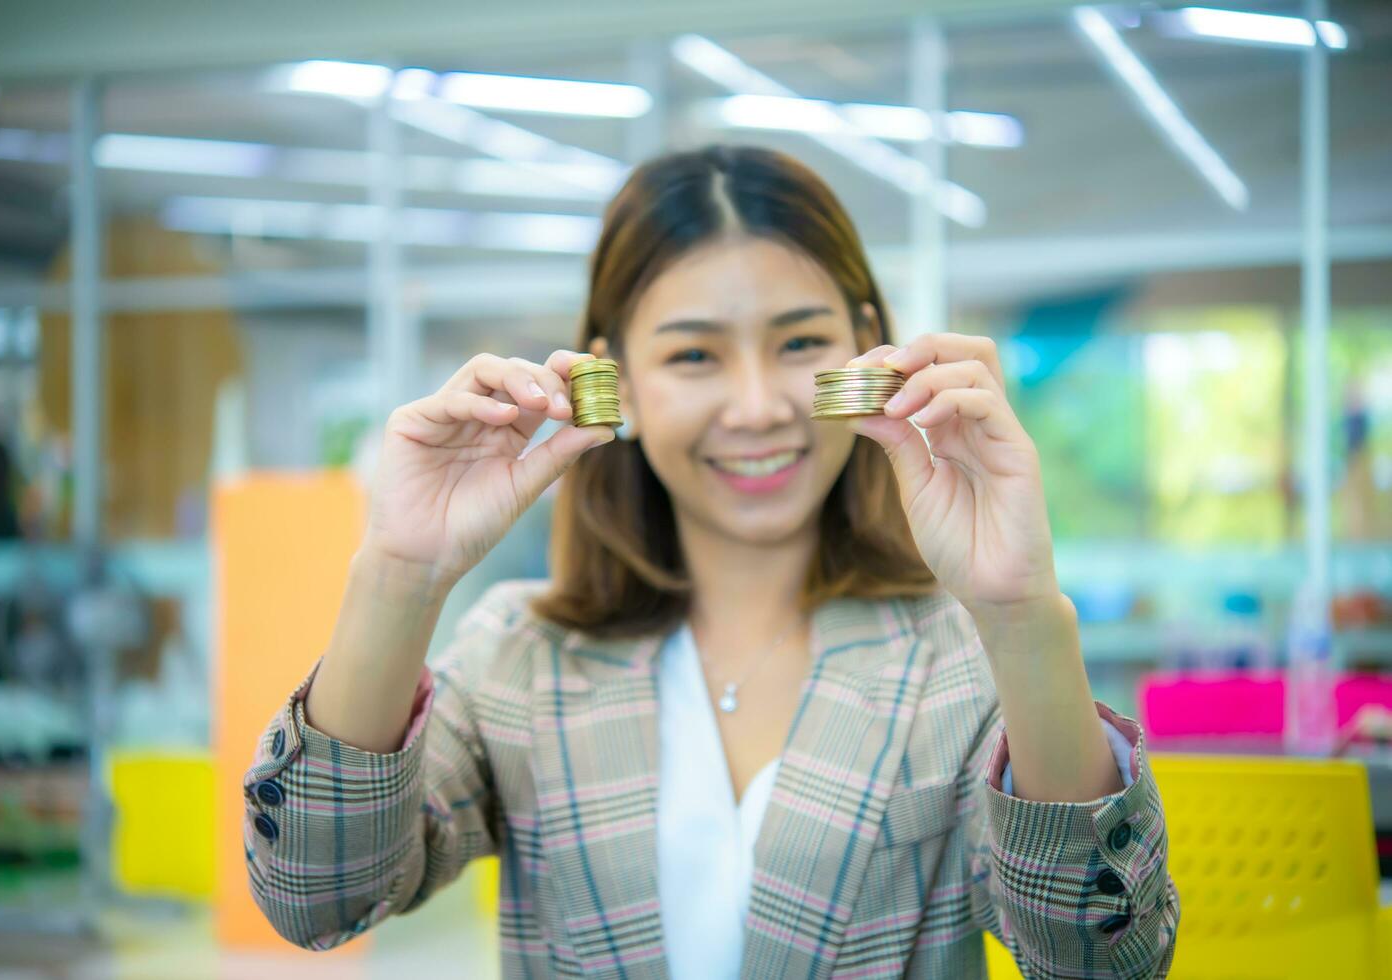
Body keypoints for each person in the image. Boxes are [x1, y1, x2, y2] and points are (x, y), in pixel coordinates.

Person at [243, 145, 1177, 978]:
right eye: (695, 355)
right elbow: (318, 900)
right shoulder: (519, 657)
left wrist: (1020, 616)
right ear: (621, 383)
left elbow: (1104, 963)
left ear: (865, 345)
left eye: (802, 343)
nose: (759, 405)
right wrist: (401, 573)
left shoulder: (963, 659)